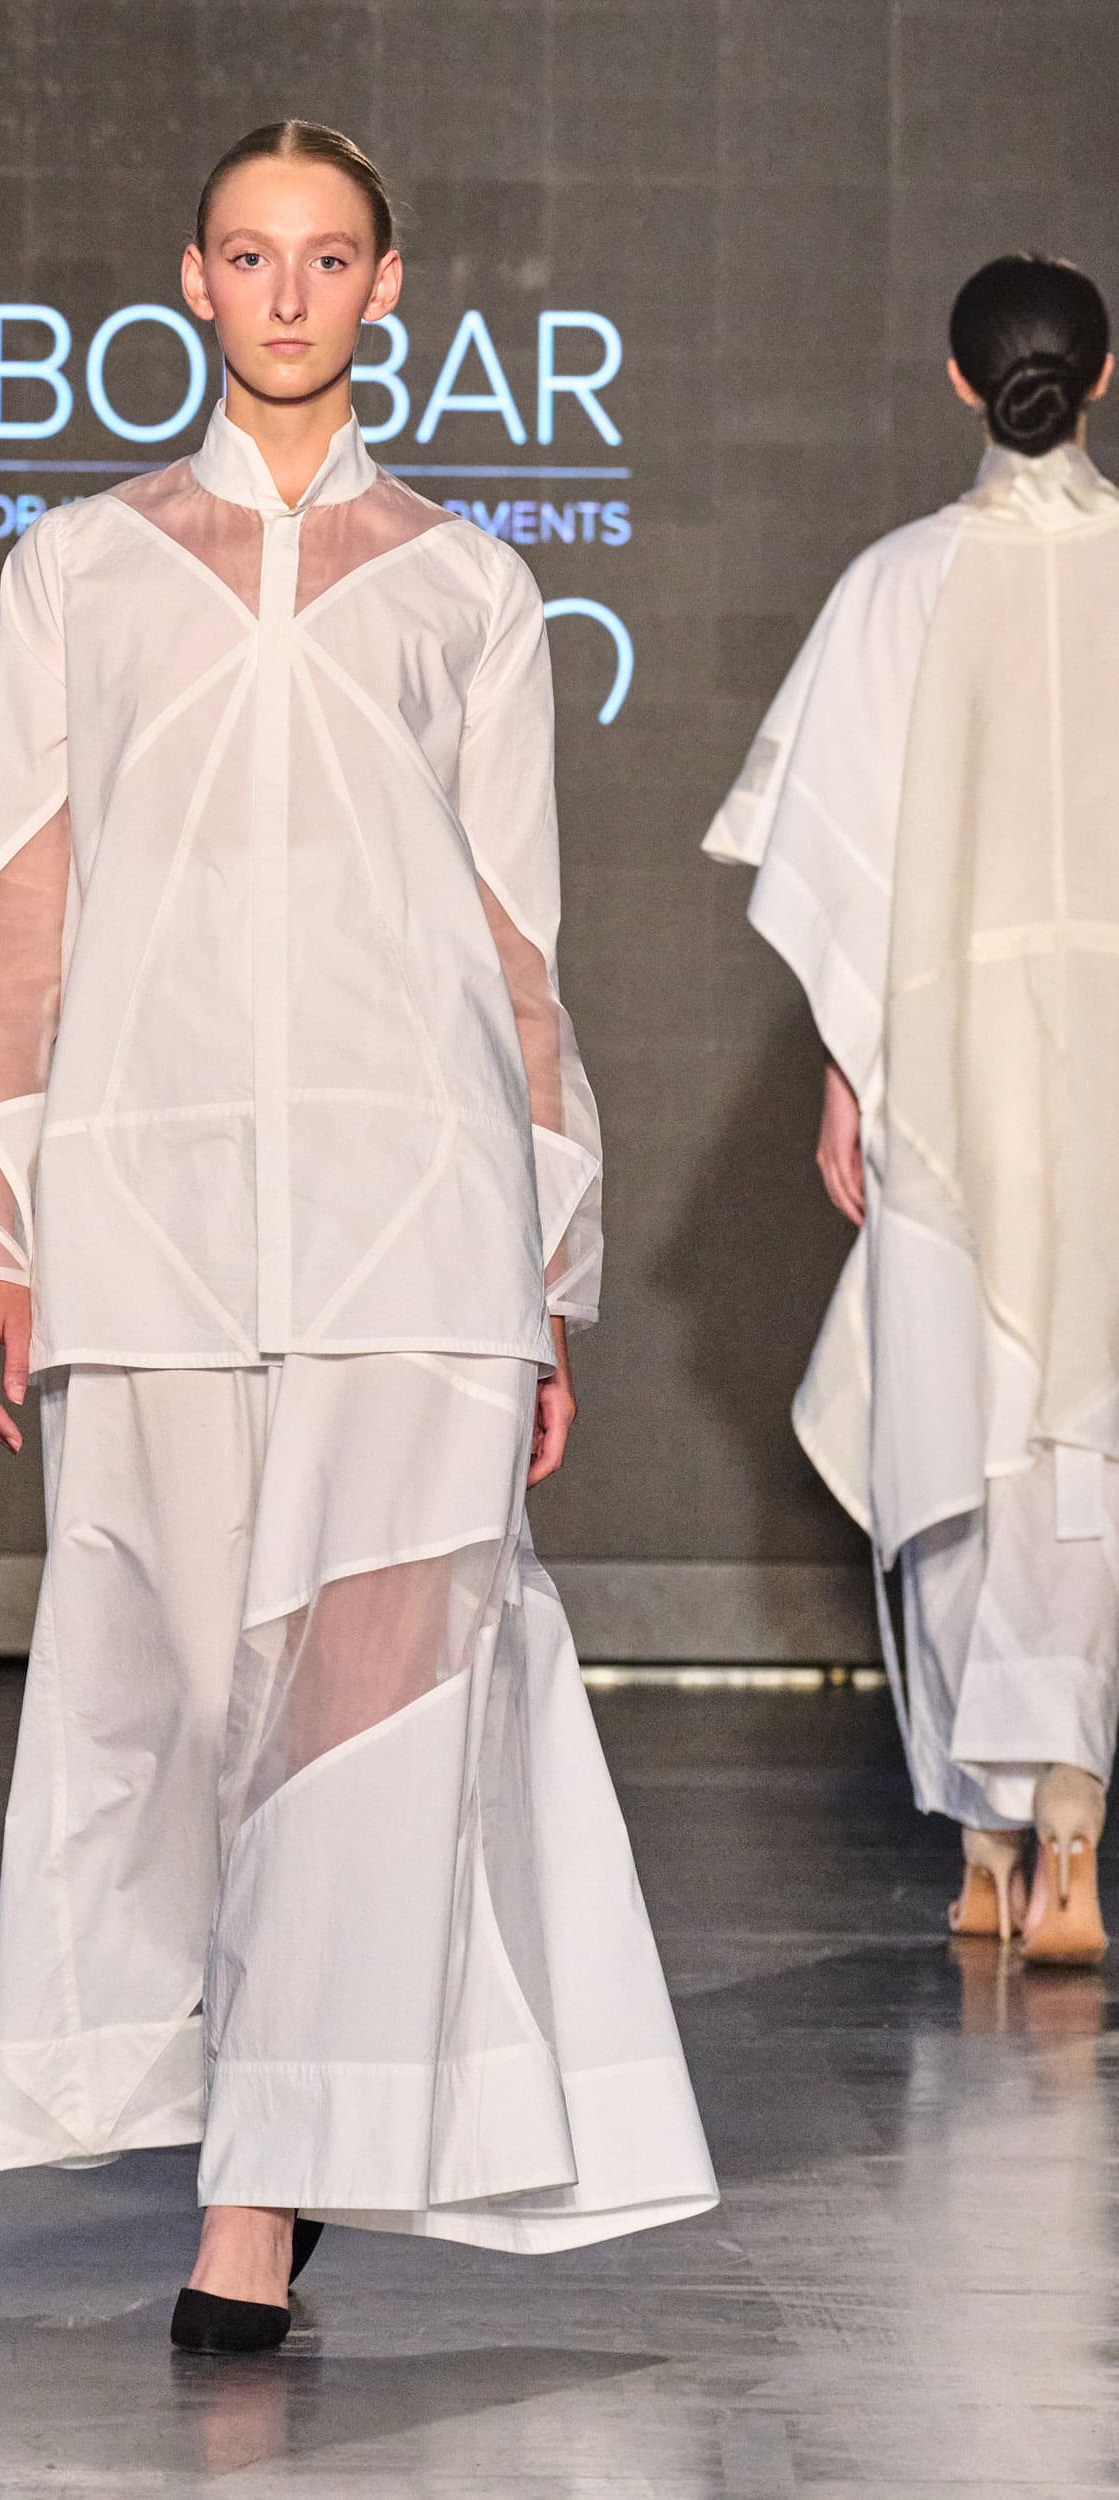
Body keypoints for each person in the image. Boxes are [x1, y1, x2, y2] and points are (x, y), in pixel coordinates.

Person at [0, 118, 716, 2353]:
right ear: (193, 278)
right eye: (252, 256)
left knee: (364, 1714)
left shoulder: (470, 586)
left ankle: (254, 2200)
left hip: (417, 1210)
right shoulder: (81, 567)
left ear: (389, 284)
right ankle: (261, 2119)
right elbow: (13, 905)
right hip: (150, 1199)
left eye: (330, 257)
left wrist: (547, 1265)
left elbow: (517, 944)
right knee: (194, 1700)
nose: (289, 295)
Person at [705, 254, 1119, 1965]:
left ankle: (983, 1837)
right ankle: (1073, 1817)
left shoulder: (893, 588)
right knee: (1086, 1429)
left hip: (952, 1068)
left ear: (959, 383)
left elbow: (841, 876)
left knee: (959, 1410)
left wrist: (849, 1072)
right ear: (1102, 376)